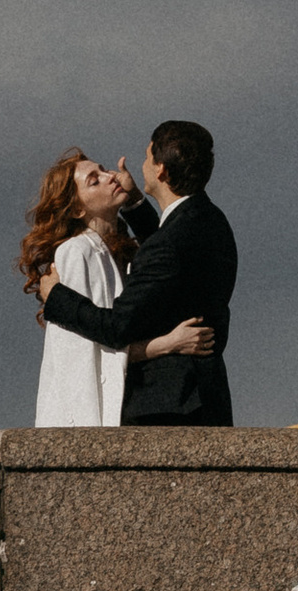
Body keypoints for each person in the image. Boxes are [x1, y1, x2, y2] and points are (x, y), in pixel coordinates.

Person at [37, 119, 235, 425]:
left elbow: (116, 328)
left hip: (170, 404)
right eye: (95, 178)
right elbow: (165, 247)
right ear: (76, 208)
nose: (112, 174)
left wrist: (56, 297)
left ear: (161, 171)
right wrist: (135, 203)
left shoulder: (164, 243)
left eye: (146, 157)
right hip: (202, 397)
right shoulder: (209, 220)